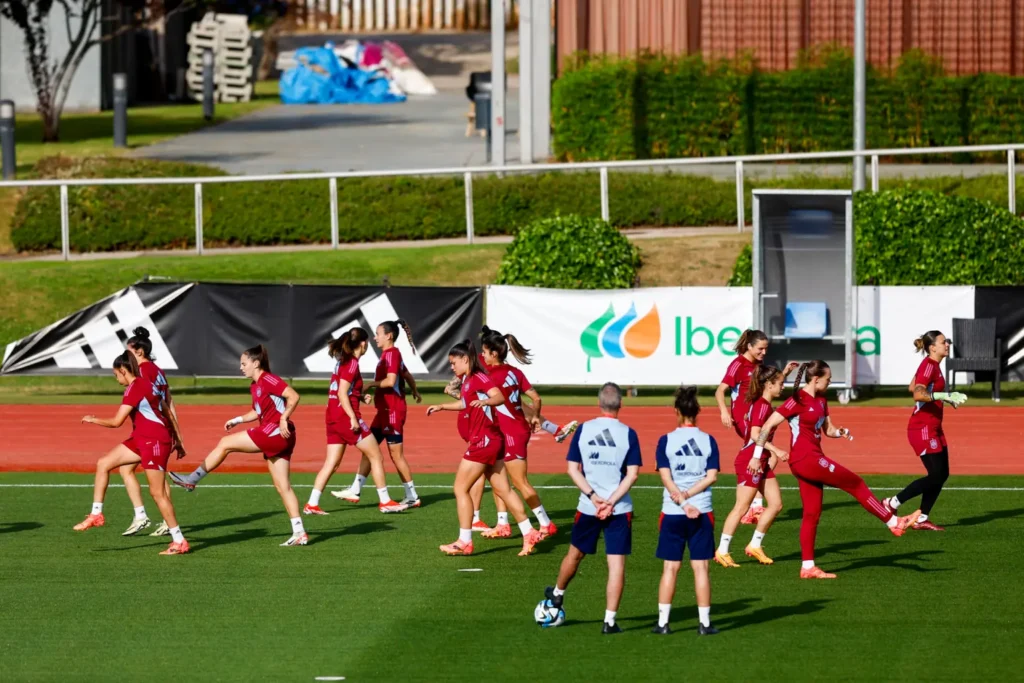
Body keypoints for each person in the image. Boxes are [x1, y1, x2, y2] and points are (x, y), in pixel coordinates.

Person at [752, 361, 918, 578]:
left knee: (812, 514)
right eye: (828, 379)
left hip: (811, 459)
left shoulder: (821, 400)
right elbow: (765, 427)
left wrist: (840, 432)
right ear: (815, 379)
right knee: (856, 483)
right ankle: (893, 521)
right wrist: (757, 456)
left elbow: (827, 429)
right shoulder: (797, 400)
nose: (830, 382)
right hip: (806, 459)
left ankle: (808, 567)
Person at [168, 345, 310, 546]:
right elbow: (257, 412)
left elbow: (294, 396)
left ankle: (192, 479)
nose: (241, 367)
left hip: (275, 432)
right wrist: (237, 419)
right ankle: (299, 532)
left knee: (225, 443)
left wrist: (284, 417)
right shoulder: (255, 385)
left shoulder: (269, 379)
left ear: (256, 363)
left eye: (244, 363)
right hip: (280, 435)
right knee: (282, 487)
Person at [540, 382, 642, 634]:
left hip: (588, 507)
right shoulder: (628, 433)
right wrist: (611, 501)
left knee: (574, 554)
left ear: (598, 404)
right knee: (616, 565)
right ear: (621, 404)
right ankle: (609, 621)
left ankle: (558, 594)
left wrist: (594, 497)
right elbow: (632, 475)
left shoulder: (584, 430)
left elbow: (572, 469)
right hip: (618, 509)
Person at [426, 340, 543, 557]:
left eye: (453, 363)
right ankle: (529, 531)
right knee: (504, 490)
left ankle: (464, 541)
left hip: (484, 441)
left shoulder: (479, 377)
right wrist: (442, 406)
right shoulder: (469, 379)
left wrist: (487, 403)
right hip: (492, 440)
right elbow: (464, 403)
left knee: (460, 489)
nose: (452, 367)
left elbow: (498, 396)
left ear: (464, 359)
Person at [75, 351, 190, 555]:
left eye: (115, 374)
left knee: (157, 494)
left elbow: (116, 422)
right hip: (141, 439)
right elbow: (167, 410)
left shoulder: (134, 388)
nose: (116, 378)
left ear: (123, 370)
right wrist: (178, 441)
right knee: (104, 463)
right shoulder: (148, 385)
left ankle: (179, 541)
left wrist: (94, 419)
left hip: (153, 441)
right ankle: (96, 514)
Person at [304, 328, 409, 515]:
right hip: (346, 417)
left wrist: (360, 397)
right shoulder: (352, 363)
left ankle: (312, 503)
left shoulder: (343, 362)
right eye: (368, 340)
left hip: (333, 416)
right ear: (363, 343)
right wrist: (353, 417)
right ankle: (385, 501)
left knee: (332, 463)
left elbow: (346, 390)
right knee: (376, 456)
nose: (369, 343)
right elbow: (342, 392)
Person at [468, 327, 557, 539]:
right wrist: (536, 417)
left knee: (519, 482)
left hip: (511, 434)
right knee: (497, 477)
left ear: (494, 353)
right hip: (510, 431)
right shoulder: (515, 372)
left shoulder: (492, 376)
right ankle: (502, 523)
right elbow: (536, 398)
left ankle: (545, 523)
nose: (482, 356)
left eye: (485, 352)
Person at [330, 320, 422, 508]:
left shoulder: (392, 355)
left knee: (396, 455)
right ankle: (355, 489)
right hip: (384, 412)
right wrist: (415, 390)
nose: (375, 337)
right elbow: (407, 374)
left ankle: (412, 495)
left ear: (388, 336)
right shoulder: (388, 356)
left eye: (378, 333)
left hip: (393, 411)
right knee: (369, 448)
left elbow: (391, 381)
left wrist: (371, 384)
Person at [883, 331, 967, 531]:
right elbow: (918, 394)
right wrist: (942, 395)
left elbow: (912, 386)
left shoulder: (933, 366)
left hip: (934, 427)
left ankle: (922, 518)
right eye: (943, 341)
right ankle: (892, 503)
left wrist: (942, 397)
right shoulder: (929, 365)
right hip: (923, 428)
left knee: (942, 473)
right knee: (936, 475)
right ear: (932, 347)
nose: (947, 344)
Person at [652, 385, 719, 635]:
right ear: (698, 411)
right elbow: (712, 477)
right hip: (702, 511)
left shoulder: (666, 440)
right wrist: (690, 498)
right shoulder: (708, 440)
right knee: (700, 568)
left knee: (670, 567)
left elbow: (666, 477)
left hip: (672, 512)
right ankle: (704, 624)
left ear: (676, 411)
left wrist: (681, 500)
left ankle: (663, 624)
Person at [714, 329, 797, 525]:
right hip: (745, 419)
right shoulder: (737, 365)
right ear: (749, 346)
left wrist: (784, 373)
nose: (764, 352)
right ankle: (754, 506)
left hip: (758, 416)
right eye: (760, 348)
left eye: (766, 348)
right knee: (765, 453)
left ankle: (754, 505)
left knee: (765, 457)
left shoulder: (757, 365)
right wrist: (724, 412)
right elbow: (720, 390)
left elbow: (766, 385)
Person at [715, 365, 787, 567]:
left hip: (760, 459)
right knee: (741, 507)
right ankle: (722, 550)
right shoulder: (763, 405)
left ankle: (755, 545)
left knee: (775, 505)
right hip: (751, 460)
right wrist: (775, 450)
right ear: (769, 384)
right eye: (780, 383)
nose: (783, 387)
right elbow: (756, 434)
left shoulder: (763, 403)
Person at [119, 327, 182, 537]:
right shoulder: (158, 370)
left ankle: (142, 516)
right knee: (158, 477)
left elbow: (157, 402)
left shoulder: (143, 371)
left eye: (129, 352)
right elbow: (169, 402)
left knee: (130, 470)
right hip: (161, 428)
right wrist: (176, 433)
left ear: (138, 352)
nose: (126, 357)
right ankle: (164, 521)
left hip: (151, 432)